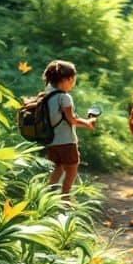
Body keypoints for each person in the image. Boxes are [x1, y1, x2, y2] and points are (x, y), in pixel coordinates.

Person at [42, 60, 96, 195]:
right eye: (73, 79)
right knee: (71, 170)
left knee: (58, 168)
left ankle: (48, 196)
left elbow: (62, 119)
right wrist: (87, 122)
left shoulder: (46, 95)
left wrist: (85, 122)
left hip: (51, 141)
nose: (73, 83)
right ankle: (65, 198)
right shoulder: (64, 97)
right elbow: (72, 119)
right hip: (66, 142)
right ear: (67, 79)